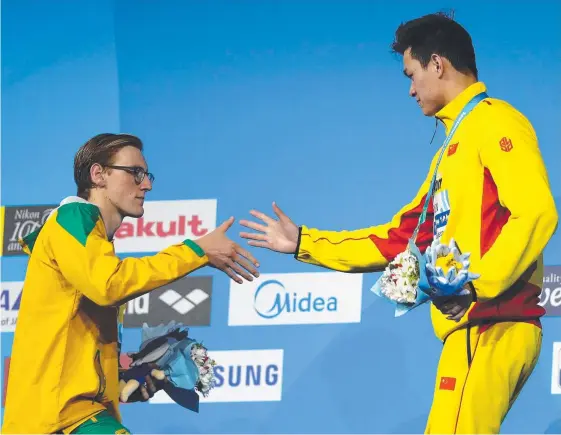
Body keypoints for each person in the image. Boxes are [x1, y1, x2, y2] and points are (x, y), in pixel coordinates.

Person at [239, 12, 558, 435]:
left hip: (491, 323)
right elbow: (398, 240)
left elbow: (537, 211)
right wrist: (303, 241)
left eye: (412, 74)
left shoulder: (495, 121)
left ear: (438, 64)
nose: (410, 89)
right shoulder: (450, 149)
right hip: (472, 329)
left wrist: (476, 286)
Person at [1, 133, 260, 434]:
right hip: (59, 420)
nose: (146, 184)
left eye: (146, 175)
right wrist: (196, 251)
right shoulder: (73, 218)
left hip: (76, 415)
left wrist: (127, 380)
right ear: (98, 175)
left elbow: (79, 353)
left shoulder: (93, 245)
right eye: (135, 173)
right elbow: (110, 285)